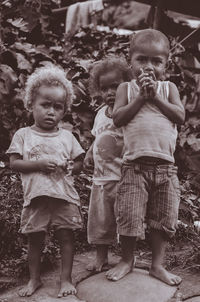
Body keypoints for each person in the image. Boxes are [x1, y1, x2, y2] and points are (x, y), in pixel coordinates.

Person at [106, 29, 185, 285]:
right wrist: (141, 96)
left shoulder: (168, 88)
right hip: (134, 167)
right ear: (131, 61)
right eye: (142, 59)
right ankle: (127, 259)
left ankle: (157, 265)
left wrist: (156, 97)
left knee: (163, 219)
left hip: (166, 169)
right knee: (129, 215)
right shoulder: (126, 89)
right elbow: (118, 118)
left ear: (166, 64)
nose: (148, 66)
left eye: (156, 61)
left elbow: (179, 117)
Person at [6, 65, 85, 299]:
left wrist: (73, 167)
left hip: (63, 197)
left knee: (66, 237)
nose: (51, 112)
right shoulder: (23, 135)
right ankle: (34, 279)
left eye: (58, 107)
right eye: (45, 105)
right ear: (31, 104)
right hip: (36, 198)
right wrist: (39, 165)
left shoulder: (67, 137)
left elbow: (79, 163)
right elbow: (14, 163)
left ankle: (66, 280)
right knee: (35, 240)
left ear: (65, 110)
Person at [84, 57, 131, 272]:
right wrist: (88, 152)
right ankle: (101, 257)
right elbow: (97, 137)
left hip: (123, 178)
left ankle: (127, 258)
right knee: (100, 222)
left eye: (115, 86)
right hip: (101, 180)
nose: (110, 93)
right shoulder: (100, 114)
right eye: (104, 88)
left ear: (127, 84)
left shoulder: (128, 111)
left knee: (126, 221)